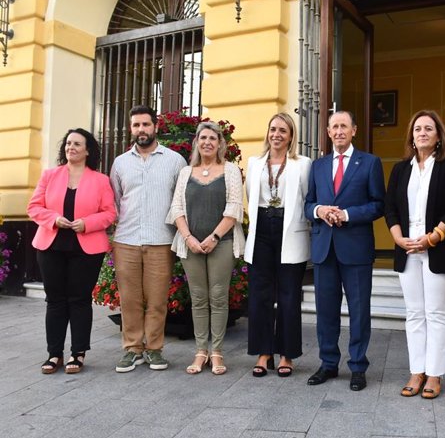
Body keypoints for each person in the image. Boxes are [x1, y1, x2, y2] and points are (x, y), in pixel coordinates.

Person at [384, 110, 445, 399]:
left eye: (428, 128)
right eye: (417, 128)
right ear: (412, 136)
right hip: (407, 248)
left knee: (435, 312)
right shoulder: (400, 169)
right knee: (414, 313)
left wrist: (434, 237)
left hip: (437, 247)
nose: (422, 133)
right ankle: (416, 371)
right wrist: (397, 238)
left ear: (438, 135)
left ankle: (434, 374)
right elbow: (390, 206)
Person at [304, 110, 385, 391]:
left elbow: (378, 204)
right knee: (326, 311)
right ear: (327, 132)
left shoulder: (370, 163)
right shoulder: (318, 166)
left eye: (344, 126)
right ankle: (328, 363)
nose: (338, 131)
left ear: (354, 130)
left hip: (356, 249)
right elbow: (308, 203)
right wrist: (319, 210)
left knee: (359, 310)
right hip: (324, 248)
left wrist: (347, 215)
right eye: (334, 127)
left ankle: (358, 366)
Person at [28, 128, 117, 374]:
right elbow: (34, 207)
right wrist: (53, 218)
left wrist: (87, 223)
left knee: (79, 300)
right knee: (55, 300)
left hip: (86, 248)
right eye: (68, 143)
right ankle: (54, 354)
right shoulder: (49, 176)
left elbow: (110, 213)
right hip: (51, 246)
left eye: (77, 144)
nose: (71, 147)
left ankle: (78, 353)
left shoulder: (100, 180)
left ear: (88, 150)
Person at [110, 105, 186, 372]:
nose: (141, 130)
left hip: (160, 240)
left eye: (145, 124)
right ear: (131, 129)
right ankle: (132, 349)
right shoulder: (120, 162)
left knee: (156, 300)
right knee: (129, 299)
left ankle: (154, 349)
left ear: (156, 127)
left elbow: (181, 200)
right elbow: (116, 201)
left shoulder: (175, 161)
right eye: (136, 125)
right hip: (126, 240)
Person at [167, 121, 245, 375]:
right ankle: (201, 351)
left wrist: (213, 237)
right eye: (203, 138)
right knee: (199, 298)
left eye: (213, 138)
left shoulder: (230, 170)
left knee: (219, 297)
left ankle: (217, 352)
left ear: (220, 143)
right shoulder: (186, 173)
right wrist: (188, 237)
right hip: (190, 244)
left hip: (221, 243)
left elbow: (234, 208)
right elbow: (177, 208)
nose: (208, 142)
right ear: (197, 143)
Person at [245, 113, 311, 377]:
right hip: (261, 228)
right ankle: (264, 353)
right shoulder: (254, 163)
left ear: (291, 136)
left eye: (283, 130)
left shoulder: (303, 164)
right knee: (260, 295)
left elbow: (307, 198)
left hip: (290, 230)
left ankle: (286, 355)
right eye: (273, 129)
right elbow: (251, 195)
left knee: (289, 296)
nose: (277, 135)